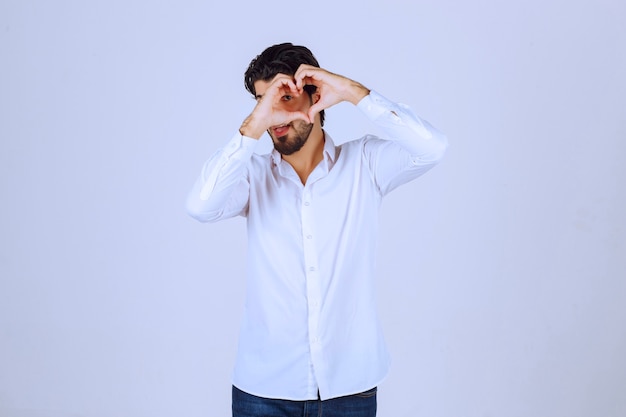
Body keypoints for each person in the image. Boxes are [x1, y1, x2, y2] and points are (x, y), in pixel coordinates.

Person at [186, 42, 447, 417]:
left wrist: (354, 93)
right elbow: (200, 205)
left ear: (317, 94)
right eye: (263, 101)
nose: (273, 115)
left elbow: (432, 148)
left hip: (350, 390)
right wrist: (254, 123)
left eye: (284, 98)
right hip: (263, 393)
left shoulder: (365, 164)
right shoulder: (250, 176)